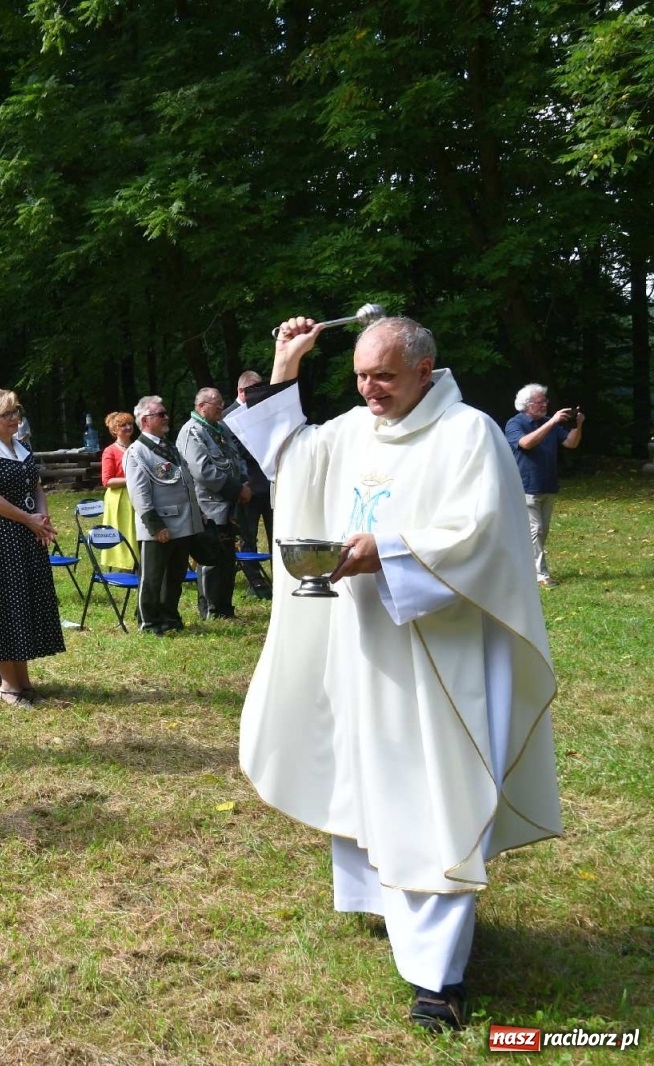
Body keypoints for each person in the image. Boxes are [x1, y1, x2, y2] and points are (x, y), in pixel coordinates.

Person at [223, 316, 561, 1031]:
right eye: (360, 378)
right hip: (363, 641)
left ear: (424, 367)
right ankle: (386, 905)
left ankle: (438, 980)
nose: (370, 391)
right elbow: (293, 460)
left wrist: (393, 550)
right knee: (366, 776)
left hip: (438, 652)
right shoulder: (354, 428)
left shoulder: (467, 433)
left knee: (430, 793)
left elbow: (480, 533)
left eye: (384, 377)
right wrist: (285, 370)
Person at [0, 390, 65, 707]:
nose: (14, 418)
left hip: (27, 535)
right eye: (6, 414)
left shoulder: (21, 447)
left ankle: (23, 682)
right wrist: (29, 520)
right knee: (7, 608)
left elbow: (36, 486)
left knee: (24, 605)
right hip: (4, 538)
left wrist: (42, 519)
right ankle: (8, 686)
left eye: (15, 411)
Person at [123, 397, 220, 634]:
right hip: (160, 526)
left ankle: (170, 617)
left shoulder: (169, 446)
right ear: (145, 421)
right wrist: (155, 526)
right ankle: (149, 621)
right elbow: (139, 494)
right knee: (153, 578)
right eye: (161, 414)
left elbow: (185, 483)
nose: (167, 418)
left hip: (183, 523)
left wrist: (198, 515)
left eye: (166, 414)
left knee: (175, 576)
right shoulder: (138, 451)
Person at [174, 387, 244, 620]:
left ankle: (225, 606)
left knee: (227, 556)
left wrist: (245, 482)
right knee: (211, 556)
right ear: (201, 406)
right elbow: (203, 472)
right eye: (217, 404)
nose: (222, 407)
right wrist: (236, 489)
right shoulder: (191, 432)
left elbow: (237, 457)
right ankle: (210, 609)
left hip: (229, 504)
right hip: (208, 505)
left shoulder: (220, 428)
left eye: (222, 403)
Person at [505, 385, 584, 588]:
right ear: (527, 405)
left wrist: (577, 425)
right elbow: (526, 443)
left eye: (545, 401)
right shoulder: (515, 423)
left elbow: (570, 443)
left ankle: (522, 567)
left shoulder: (549, 423)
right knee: (535, 530)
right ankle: (541, 575)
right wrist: (553, 422)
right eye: (540, 402)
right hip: (525, 486)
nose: (545, 405)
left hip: (547, 484)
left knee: (541, 531)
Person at [225, 370, 274, 599]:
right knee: (248, 535)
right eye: (255, 392)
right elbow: (237, 451)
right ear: (242, 391)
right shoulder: (227, 417)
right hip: (248, 486)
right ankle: (256, 582)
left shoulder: (264, 413)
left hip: (271, 484)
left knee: (276, 533)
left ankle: (279, 578)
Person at [98, 412, 138, 569]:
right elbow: (107, 481)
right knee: (125, 530)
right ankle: (125, 563)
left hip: (138, 494)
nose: (128, 427)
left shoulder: (138, 446)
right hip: (120, 497)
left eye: (130, 424)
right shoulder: (110, 451)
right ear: (114, 430)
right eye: (123, 425)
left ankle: (140, 560)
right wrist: (132, 480)